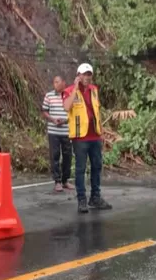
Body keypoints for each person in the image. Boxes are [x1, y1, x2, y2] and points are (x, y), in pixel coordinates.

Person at [62, 63, 112, 214]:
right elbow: (66, 107)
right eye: (84, 74)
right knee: (80, 169)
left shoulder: (94, 90)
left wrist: (101, 134)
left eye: (89, 74)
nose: (87, 77)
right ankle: (81, 200)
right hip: (80, 137)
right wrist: (75, 89)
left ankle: (95, 197)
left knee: (97, 166)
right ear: (78, 75)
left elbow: (97, 112)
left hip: (94, 135)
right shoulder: (69, 91)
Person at [42, 75, 74, 193]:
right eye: (54, 82)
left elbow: (74, 112)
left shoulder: (70, 95)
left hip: (67, 131)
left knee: (68, 156)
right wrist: (52, 119)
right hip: (53, 131)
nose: (55, 84)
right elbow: (44, 111)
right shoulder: (49, 96)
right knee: (54, 156)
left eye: (57, 82)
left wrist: (66, 120)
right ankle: (57, 181)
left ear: (64, 83)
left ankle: (65, 180)